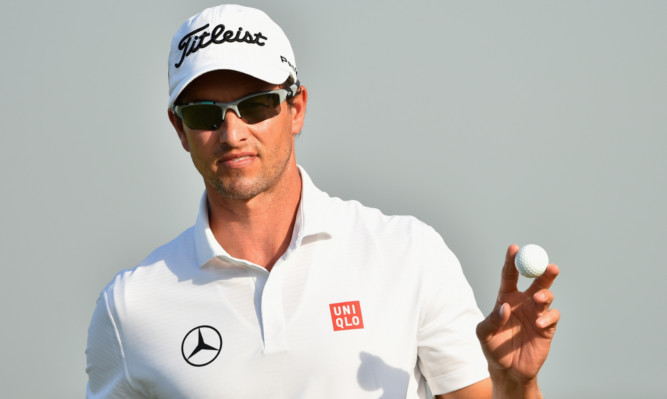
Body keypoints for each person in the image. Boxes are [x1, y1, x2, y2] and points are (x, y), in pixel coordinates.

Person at [86, 4, 560, 399]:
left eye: (256, 106)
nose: (233, 133)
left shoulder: (407, 253)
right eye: (205, 113)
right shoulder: (131, 307)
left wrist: (518, 386)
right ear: (180, 130)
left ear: (296, 109)